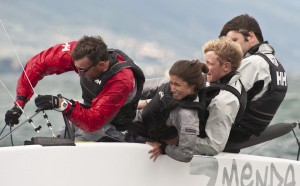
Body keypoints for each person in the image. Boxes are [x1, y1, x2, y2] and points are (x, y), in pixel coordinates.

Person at [4, 35, 145, 141]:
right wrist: (19, 104)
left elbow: (94, 121)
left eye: (83, 70)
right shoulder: (82, 54)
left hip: (111, 126)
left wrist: (61, 104)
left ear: (101, 65)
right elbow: (38, 64)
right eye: (76, 68)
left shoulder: (121, 80)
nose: (79, 72)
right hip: (85, 117)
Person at [219, 14, 288, 148]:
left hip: (228, 135)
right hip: (246, 134)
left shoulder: (253, 63)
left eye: (234, 40)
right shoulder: (276, 65)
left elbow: (223, 99)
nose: (229, 47)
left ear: (250, 37)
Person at [135, 59, 208, 162]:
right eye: (171, 83)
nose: (172, 89)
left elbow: (185, 154)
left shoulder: (187, 116)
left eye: (177, 85)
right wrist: (145, 102)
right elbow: (140, 87)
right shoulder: (168, 84)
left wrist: (164, 148)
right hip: (138, 123)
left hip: (150, 142)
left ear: (192, 87)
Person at [194, 37, 246, 155]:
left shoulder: (223, 102)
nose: (203, 68)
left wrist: (174, 142)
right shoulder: (221, 79)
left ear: (226, 66)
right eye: (205, 62)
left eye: (209, 63)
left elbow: (213, 146)